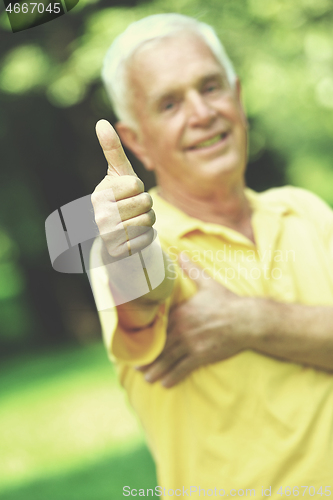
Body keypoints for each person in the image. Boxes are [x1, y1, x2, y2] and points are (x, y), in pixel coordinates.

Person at [89, 13, 333, 498]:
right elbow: (146, 287)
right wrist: (127, 247)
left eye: (211, 87)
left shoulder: (304, 210)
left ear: (238, 99)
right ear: (136, 140)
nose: (202, 113)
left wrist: (249, 321)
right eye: (170, 103)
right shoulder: (133, 244)